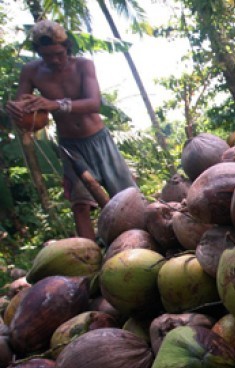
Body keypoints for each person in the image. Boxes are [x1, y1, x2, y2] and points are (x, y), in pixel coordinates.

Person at [6, 20, 138, 240]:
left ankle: (141, 238)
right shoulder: (31, 71)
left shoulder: (83, 65)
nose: (55, 60)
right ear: (38, 52)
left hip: (99, 140)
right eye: (48, 56)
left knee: (126, 195)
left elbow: (93, 103)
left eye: (59, 53)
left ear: (67, 46)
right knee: (80, 205)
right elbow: (24, 105)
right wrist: (15, 109)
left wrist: (54, 104)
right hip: (70, 145)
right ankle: (88, 257)